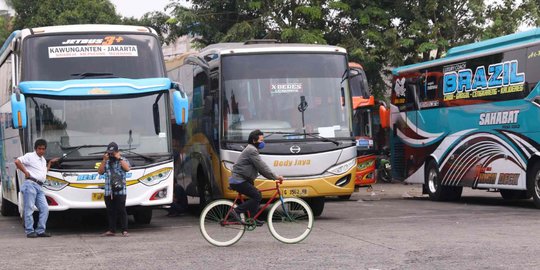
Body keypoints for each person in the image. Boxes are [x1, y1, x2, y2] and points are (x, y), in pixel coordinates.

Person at [229, 129, 284, 226]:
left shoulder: (252, 149)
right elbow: (262, 167)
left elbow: (259, 168)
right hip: (238, 180)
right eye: (261, 140)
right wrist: (275, 177)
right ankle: (236, 211)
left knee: (256, 195)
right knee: (257, 196)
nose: (263, 143)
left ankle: (252, 218)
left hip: (241, 179)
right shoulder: (251, 150)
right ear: (254, 141)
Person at [15, 139, 59, 238]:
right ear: (35, 148)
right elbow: (17, 161)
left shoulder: (43, 160)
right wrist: (25, 172)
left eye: (43, 149)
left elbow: (43, 172)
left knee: (45, 208)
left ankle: (40, 230)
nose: (41, 151)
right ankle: (29, 231)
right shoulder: (30, 156)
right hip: (30, 184)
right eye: (39, 149)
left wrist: (49, 163)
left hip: (39, 186)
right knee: (29, 208)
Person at [97, 142, 131, 237]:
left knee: (121, 210)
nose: (111, 154)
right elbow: (100, 172)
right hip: (108, 190)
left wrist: (119, 158)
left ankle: (125, 230)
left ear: (117, 152)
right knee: (110, 211)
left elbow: (127, 169)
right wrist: (104, 160)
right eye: (109, 153)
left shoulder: (123, 160)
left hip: (121, 190)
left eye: (113, 152)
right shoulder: (106, 161)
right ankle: (112, 230)